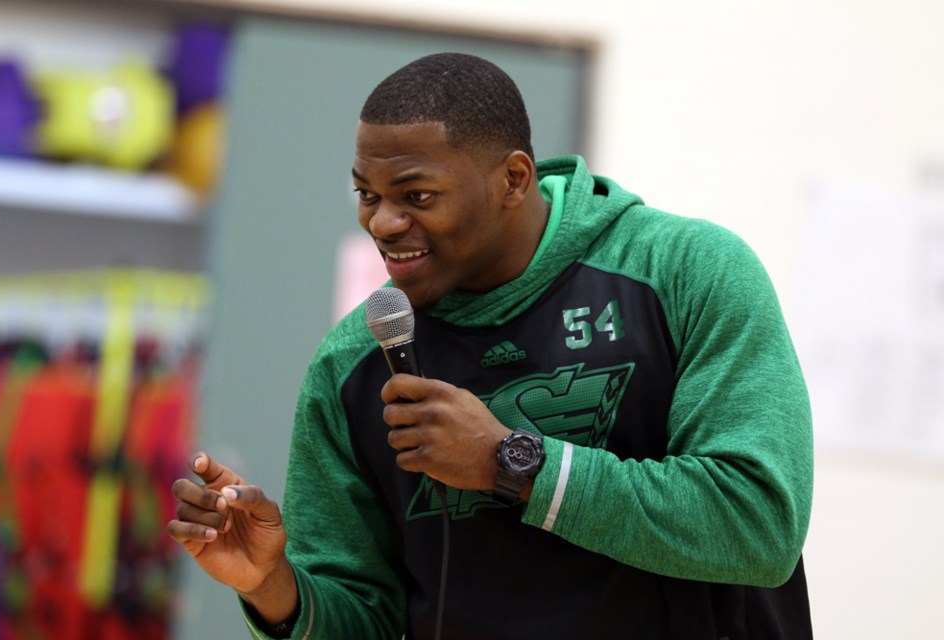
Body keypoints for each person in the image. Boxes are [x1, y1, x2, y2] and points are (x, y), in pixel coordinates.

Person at [168, 52, 814, 639]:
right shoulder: (352, 362)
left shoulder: (685, 272)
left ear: (512, 178)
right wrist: (272, 587)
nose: (384, 224)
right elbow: (364, 617)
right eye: (368, 195)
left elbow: (757, 525)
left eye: (417, 196)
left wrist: (512, 463)